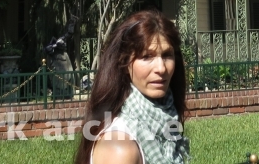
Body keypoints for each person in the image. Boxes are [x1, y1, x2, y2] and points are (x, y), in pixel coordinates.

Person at [75, 10, 189, 164]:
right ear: (125, 64)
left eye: (167, 55)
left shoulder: (166, 120)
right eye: (147, 56)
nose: (161, 68)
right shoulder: (120, 148)